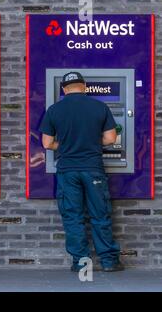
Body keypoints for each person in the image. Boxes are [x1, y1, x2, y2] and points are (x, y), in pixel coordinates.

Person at [39, 71, 123, 272]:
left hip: (68, 170)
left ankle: (80, 262)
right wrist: (92, 143)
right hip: (93, 168)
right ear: (84, 87)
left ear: (64, 89)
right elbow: (111, 139)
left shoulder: (54, 110)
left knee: (73, 216)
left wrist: (66, 145)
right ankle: (109, 261)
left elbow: (47, 143)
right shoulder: (99, 107)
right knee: (100, 214)